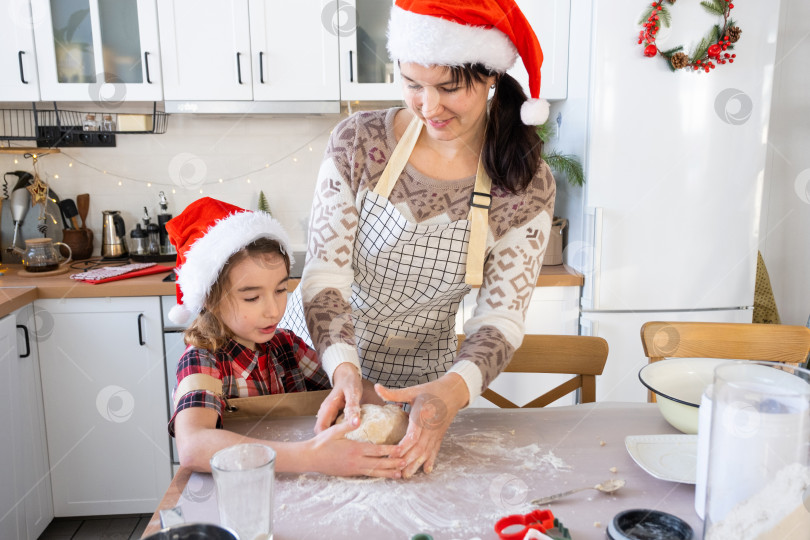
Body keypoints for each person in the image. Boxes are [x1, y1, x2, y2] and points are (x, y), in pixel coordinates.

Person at [282, 0, 556, 478]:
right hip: (320, 366)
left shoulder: (525, 182)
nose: (429, 107)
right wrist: (345, 366)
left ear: (490, 75)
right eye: (413, 85)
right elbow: (325, 275)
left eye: (449, 87)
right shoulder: (359, 142)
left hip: (423, 379)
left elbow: (500, 318)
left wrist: (451, 391)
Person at [165, 197, 403, 477]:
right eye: (252, 297)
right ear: (211, 300)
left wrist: (395, 406)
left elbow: (350, 389)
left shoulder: (286, 346)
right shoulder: (202, 359)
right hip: (240, 493)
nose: (274, 309)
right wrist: (311, 457)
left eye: (280, 290)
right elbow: (194, 446)